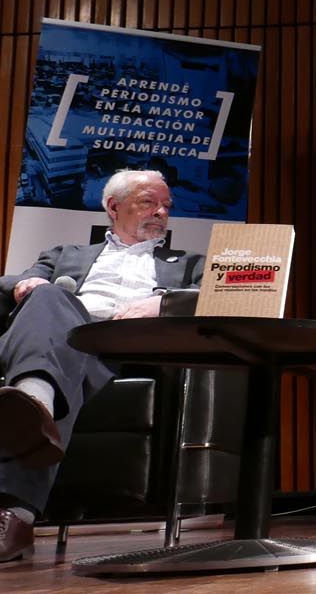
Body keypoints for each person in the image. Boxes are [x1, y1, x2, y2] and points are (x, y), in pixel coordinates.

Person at [0, 169, 203, 564]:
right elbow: (17, 281)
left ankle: (32, 400)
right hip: (63, 336)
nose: (161, 212)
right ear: (113, 207)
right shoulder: (65, 255)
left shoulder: (188, 264)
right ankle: (18, 510)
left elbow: (217, 297)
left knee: (52, 341)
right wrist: (25, 286)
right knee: (49, 299)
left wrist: (163, 304)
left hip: (124, 345)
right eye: (149, 202)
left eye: (166, 206)